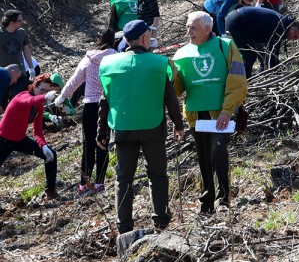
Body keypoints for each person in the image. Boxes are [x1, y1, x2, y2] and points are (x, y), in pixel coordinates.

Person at [99, 20, 185, 235]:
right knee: (157, 174)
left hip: (122, 128)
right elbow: (170, 99)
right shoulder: (159, 63)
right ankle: (161, 220)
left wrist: (101, 132)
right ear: (145, 38)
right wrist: (178, 125)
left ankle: (124, 225)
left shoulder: (109, 64)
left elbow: (104, 100)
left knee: (123, 178)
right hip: (152, 127)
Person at [171, 12, 247, 214]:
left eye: (193, 27)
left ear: (207, 28)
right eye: (187, 27)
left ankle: (223, 200)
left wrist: (227, 110)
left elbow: (238, 81)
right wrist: (170, 75)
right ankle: (207, 201)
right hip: (196, 115)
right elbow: (177, 89)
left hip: (221, 113)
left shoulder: (226, 46)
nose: (189, 31)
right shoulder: (181, 54)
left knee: (218, 149)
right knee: (204, 156)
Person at [56, 28, 119, 194]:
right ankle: (100, 183)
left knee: (88, 145)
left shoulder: (88, 59)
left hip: (90, 106)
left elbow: (74, 80)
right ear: (114, 42)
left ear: (99, 40)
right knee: (103, 143)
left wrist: (62, 97)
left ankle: (84, 184)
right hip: (108, 105)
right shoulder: (117, 58)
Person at [0, 72, 61, 201]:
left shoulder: (38, 106)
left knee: (51, 155)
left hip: (19, 139)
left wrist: (44, 146)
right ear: (33, 86)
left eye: (46, 90)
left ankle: (50, 191)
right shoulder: (22, 96)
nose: (43, 92)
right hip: (3, 139)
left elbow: (38, 131)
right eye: (41, 89)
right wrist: (45, 97)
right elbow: (30, 100)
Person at [225, 6, 299, 78]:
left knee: (248, 54)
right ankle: (244, 81)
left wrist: (275, 67)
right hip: (237, 21)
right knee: (250, 55)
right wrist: (274, 72)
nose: (292, 39)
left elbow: (274, 52)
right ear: (292, 28)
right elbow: (272, 53)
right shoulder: (280, 26)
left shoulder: (284, 24)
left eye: (295, 39)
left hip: (238, 19)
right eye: (294, 36)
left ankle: (238, 77)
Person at [0, 11, 34, 86]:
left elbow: (26, 50)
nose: (23, 22)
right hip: (2, 74)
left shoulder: (22, 33)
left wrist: (31, 67)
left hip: (20, 73)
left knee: (19, 95)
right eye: (20, 20)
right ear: (12, 22)